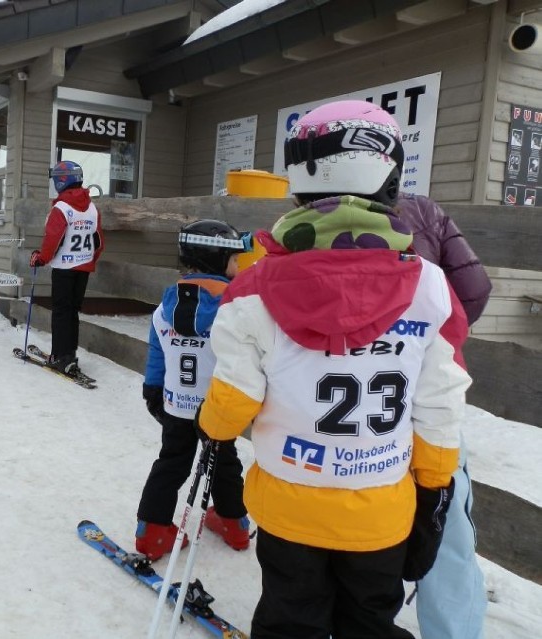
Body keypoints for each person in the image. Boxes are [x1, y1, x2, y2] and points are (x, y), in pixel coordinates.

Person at [197, 100, 471, 639]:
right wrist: (435, 484)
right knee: (369, 621)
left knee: (289, 616)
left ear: (298, 183)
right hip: (380, 509)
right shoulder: (432, 288)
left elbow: (232, 403)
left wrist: (211, 428)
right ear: (391, 180)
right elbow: (440, 402)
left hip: (289, 503)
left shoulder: (253, 289)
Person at [395, 191, 491, 639]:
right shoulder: (421, 210)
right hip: (431, 391)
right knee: (447, 522)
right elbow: (474, 287)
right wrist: (443, 340)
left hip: (347, 396)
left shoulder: (306, 212)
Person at [136, 219, 250, 560]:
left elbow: (158, 354)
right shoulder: (232, 311)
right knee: (224, 464)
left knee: (171, 463)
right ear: (217, 260)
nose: (238, 266)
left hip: (176, 403)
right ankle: (234, 523)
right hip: (217, 407)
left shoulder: (163, 309)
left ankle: (152, 532)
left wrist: (152, 389)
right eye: (233, 259)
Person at [29, 160, 104, 375]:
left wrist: (41, 258)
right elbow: (99, 241)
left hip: (64, 268)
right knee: (72, 312)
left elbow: (53, 239)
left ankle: (60, 356)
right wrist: (90, 259)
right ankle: (70, 354)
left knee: (61, 312)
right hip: (83, 268)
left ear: (62, 180)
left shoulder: (61, 207)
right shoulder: (91, 207)